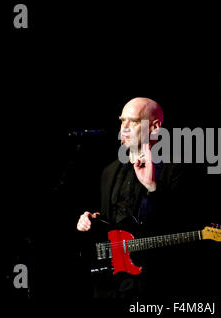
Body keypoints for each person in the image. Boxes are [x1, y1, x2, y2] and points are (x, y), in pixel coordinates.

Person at [75, 97, 192, 299]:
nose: (125, 127)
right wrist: (90, 221)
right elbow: (111, 225)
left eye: (134, 121)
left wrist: (152, 187)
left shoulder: (177, 168)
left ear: (154, 127)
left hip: (155, 284)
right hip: (112, 284)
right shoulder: (109, 172)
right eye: (122, 121)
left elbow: (180, 225)